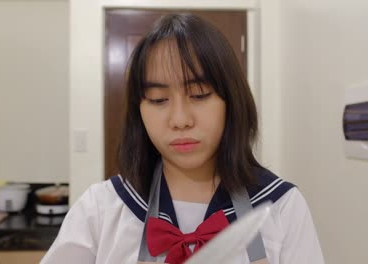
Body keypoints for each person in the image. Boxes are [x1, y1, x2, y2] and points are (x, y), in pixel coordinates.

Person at [41, 13, 325, 264]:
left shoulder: (281, 206)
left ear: (231, 100)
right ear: (139, 110)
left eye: (199, 95)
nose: (180, 120)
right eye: (158, 99)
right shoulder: (101, 209)